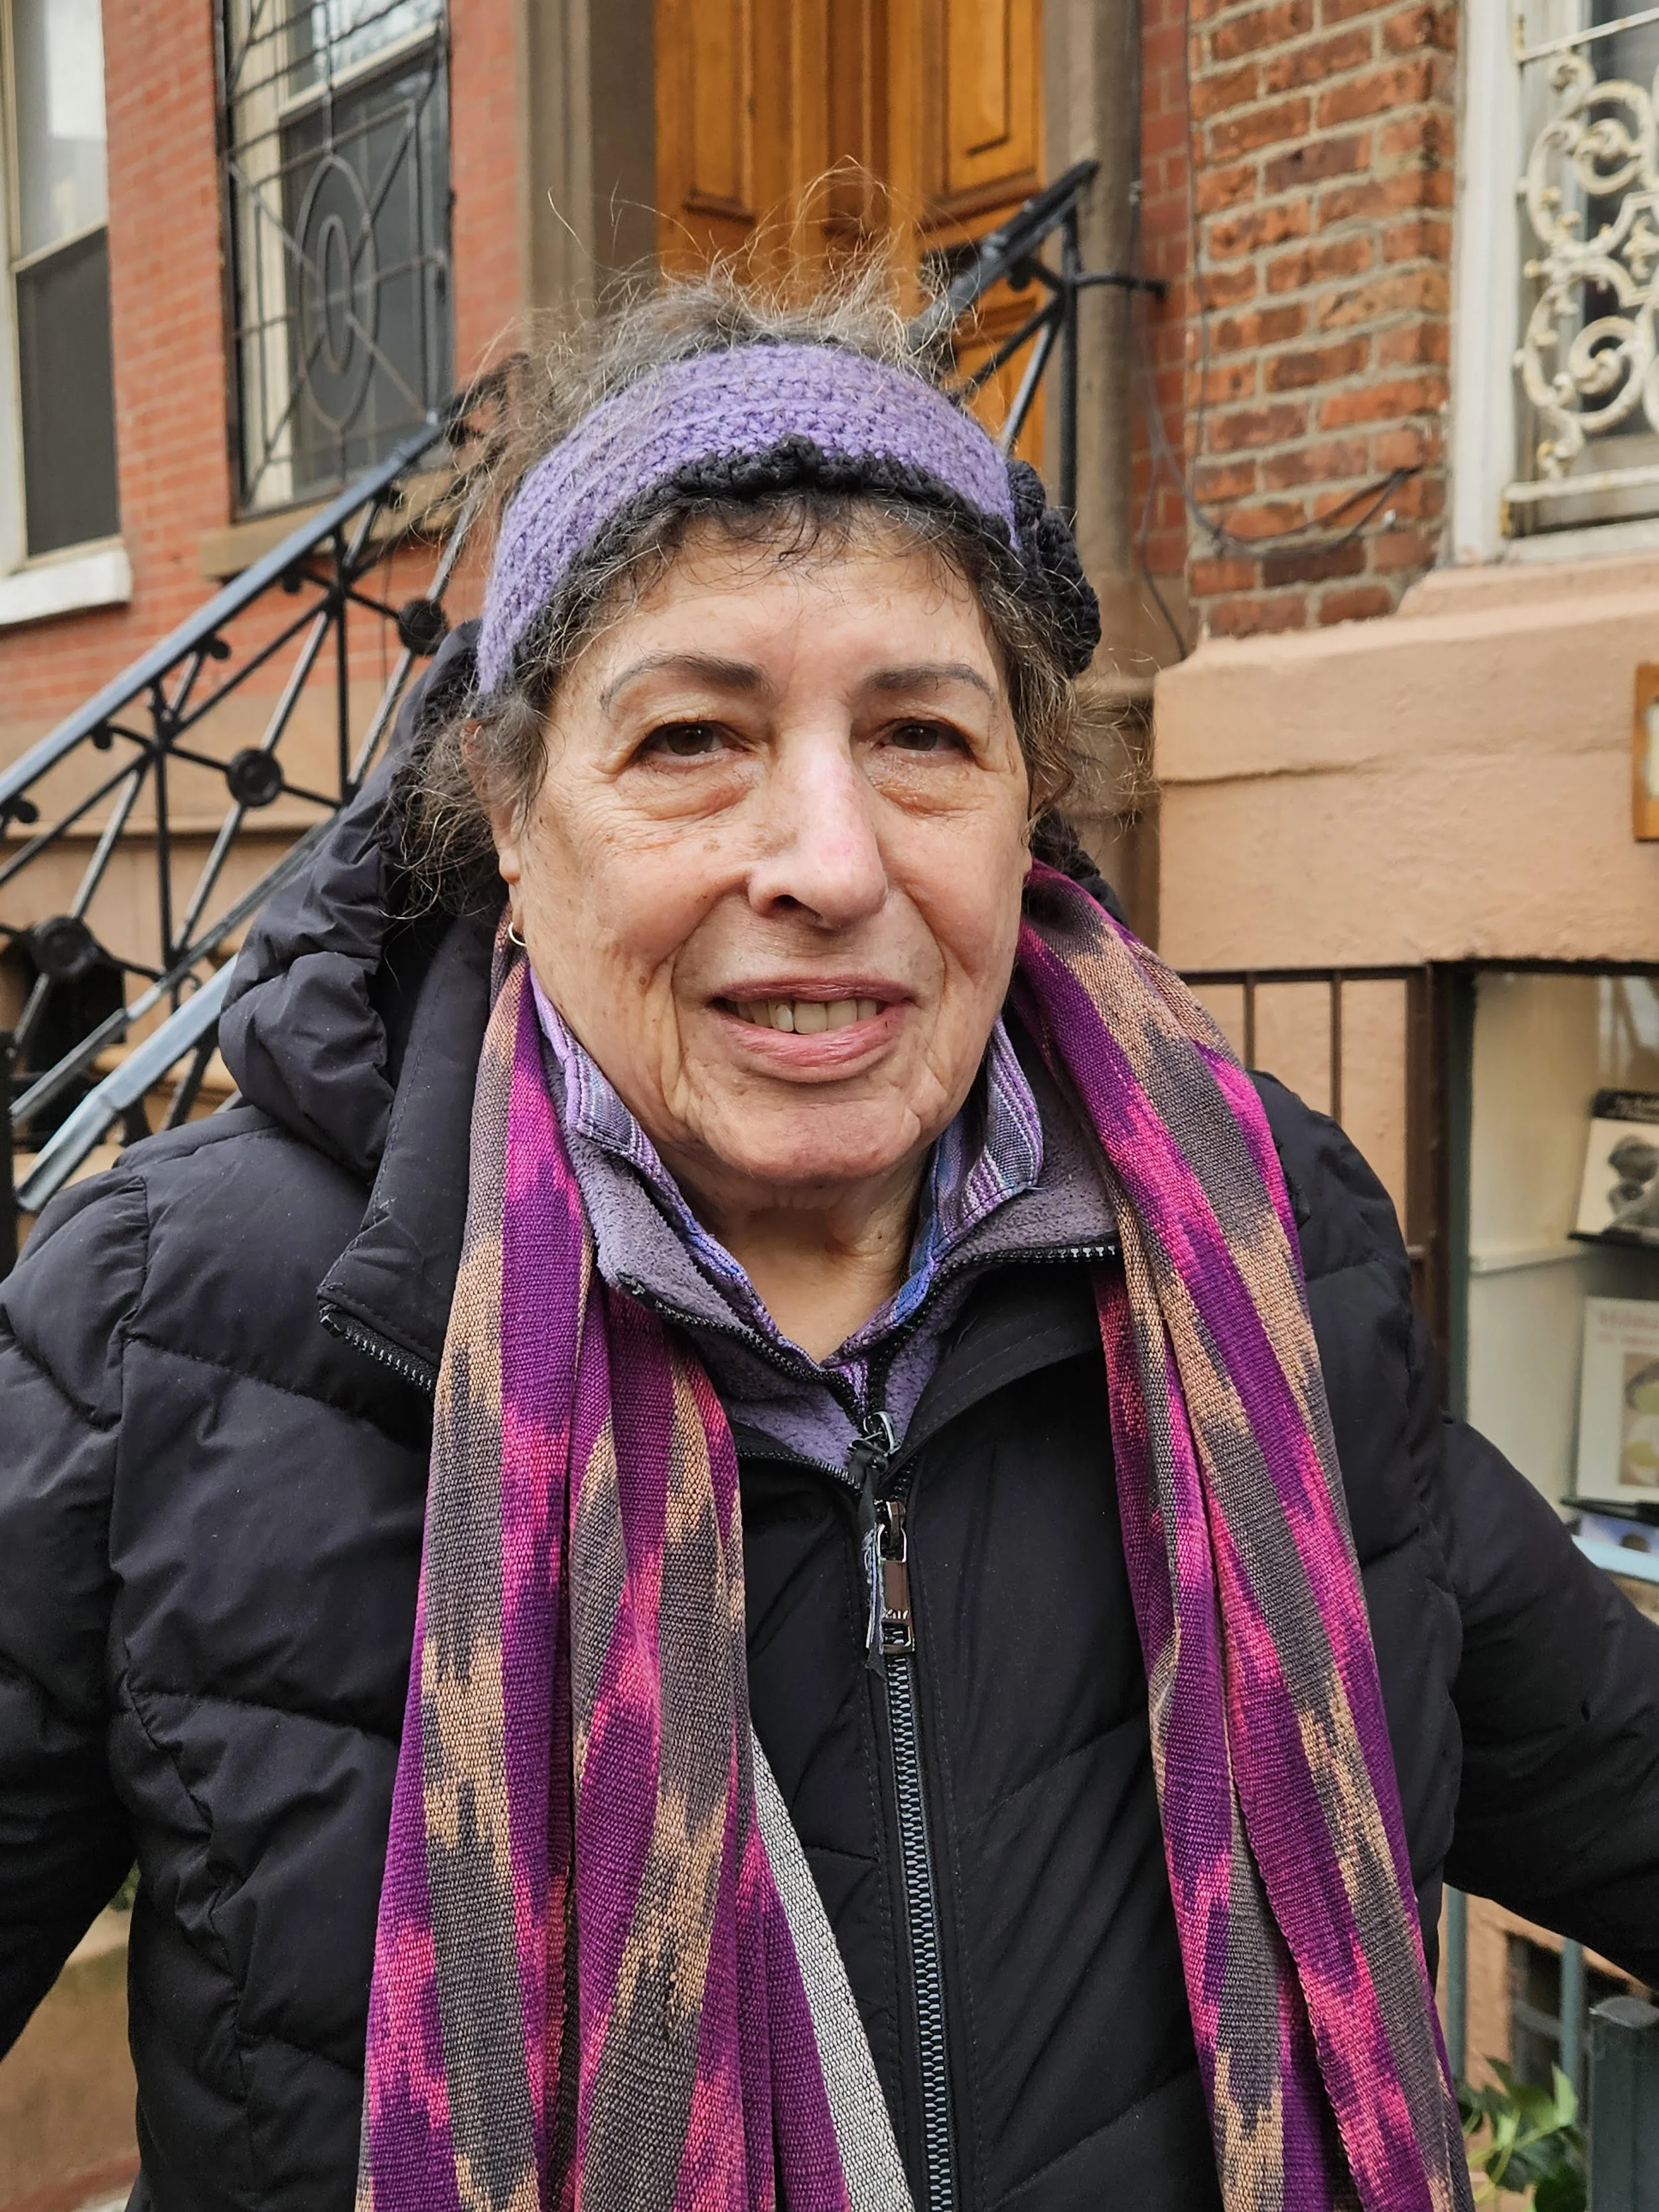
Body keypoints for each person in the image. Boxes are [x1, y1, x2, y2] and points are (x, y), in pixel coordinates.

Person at [1, 278, 1656, 2212]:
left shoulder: (1259, 1260)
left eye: (920, 738)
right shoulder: (166, 1335)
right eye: (694, 735)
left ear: (1026, 802)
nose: (832, 857)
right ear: (512, 820)